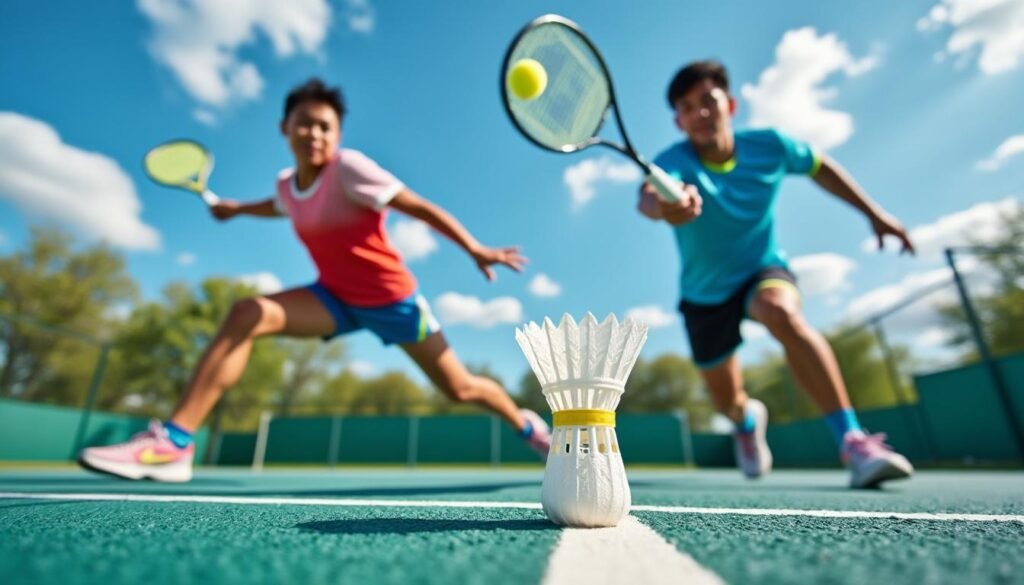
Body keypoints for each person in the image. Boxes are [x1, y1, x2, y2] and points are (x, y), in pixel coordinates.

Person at [79, 78, 551, 482]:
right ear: (285, 129)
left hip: (393, 301)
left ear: (337, 134)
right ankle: (176, 443)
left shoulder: (349, 169)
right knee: (247, 313)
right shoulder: (287, 184)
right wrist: (235, 210)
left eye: (325, 126)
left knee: (461, 389)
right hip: (335, 299)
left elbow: (417, 206)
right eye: (304, 122)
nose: (314, 133)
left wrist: (473, 247)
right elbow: (277, 205)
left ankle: (527, 426)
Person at [638, 60, 914, 488]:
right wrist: (667, 207)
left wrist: (874, 214)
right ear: (678, 121)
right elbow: (650, 199)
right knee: (726, 402)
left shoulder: (770, 146)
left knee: (779, 311)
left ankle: (855, 443)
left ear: (729, 104)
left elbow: (819, 166)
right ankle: (746, 422)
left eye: (708, 101)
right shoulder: (669, 162)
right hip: (704, 296)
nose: (700, 113)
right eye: (687, 107)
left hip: (761, 270)